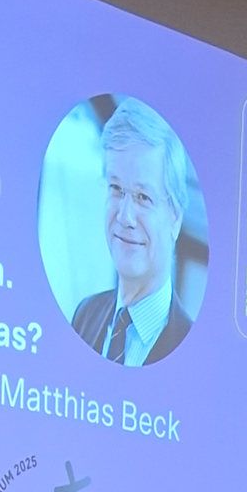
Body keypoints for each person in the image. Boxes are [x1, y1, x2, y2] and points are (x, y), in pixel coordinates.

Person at [71, 98, 193, 366]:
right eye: (116, 189)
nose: (124, 216)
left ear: (175, 217)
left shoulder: (194, 350)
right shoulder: (84, 316)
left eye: (142, 197)